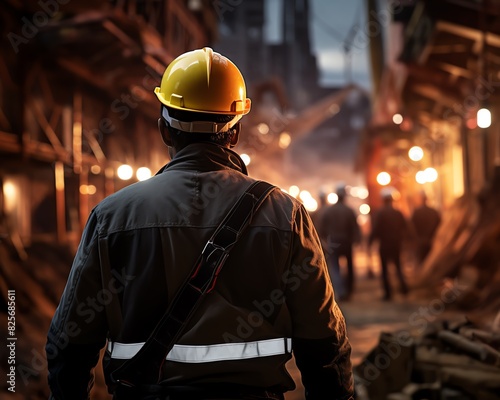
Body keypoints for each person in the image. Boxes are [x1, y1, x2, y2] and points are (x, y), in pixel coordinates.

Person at [46, 47, 354, 400]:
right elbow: (325, 343)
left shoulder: (112, 216)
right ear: (234, 133)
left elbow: (68, 344)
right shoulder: (285, 214)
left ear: (164, 129)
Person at [317, 183, 361, 301]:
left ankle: (340, 291)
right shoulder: (349, 210)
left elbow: (321, 229)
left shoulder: (329, 211)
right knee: (350, 267)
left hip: (333, 243)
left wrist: (325, 240)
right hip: (347, 242)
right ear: (345, 196)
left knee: (335, 268)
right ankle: (349, 290)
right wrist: (357, 240)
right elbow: (355, 227)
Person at [368, 187, 409, 300]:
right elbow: (406, 228)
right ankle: (404, 288)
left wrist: (370, 242)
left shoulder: (380, 213)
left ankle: (388, 293)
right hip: (396, 244)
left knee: (385, 270)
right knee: (398, 267)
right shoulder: (398, 213)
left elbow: (375, 229)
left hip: (384, 245)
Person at [410, 191, 441, 266]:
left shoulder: (416, 212)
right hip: (432, 240)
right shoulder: (433, 212)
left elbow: (412, 227)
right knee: (431, 262)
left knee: (422, 262)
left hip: (421, 241)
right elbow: (439, 224)